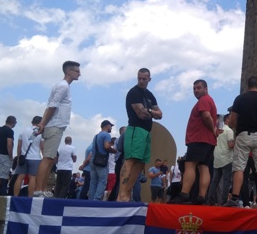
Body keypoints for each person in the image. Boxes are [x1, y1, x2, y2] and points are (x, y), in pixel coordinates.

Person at [225, 76, 257, 209]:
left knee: (239, 167)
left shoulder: (240, 99)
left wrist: (239, 129)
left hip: (243, 134)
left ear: (247, 86)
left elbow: (233, 119)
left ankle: (235, 198)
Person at [34, 61, 81, 197]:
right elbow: (52, 106)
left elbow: (50, 105)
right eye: (77, 71)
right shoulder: (63, 86)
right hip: (55, 125)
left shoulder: (61, 85)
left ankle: (42, 189)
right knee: (48, 158)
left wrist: (43, 123)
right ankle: (39, 190)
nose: (79, 74)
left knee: (50, 158)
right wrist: (43, 124)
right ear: (69, 71)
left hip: (55, 126)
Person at [118, 68, 162, 202]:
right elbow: (141, 114)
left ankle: (127, 193)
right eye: (139, 78)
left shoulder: (150, 95)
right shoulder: (134, 92)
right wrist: (151, 112)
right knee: (130, 160)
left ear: (149, 79)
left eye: (144, 79)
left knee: (141, 163)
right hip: (135, 130)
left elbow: (160, 114)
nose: (141, 81)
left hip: (146, 132)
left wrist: (149, 111)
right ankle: (121, 195)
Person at [172, 79, 217, 205]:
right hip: (208, 141)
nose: (196, 90)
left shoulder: (204, 100)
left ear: (206, 88)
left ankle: (184, 194)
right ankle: (202, 197)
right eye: (194, 89)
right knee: (204, 167)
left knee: (190, 165)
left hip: (198, 139)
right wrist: (213, 131)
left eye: (199, 88)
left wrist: (212, 130)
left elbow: (206, 116)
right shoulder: (210, 100)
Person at [207, 113, 235, 205]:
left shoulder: (217, 131)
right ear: (227, 119)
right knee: (227, 181)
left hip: (217, 158)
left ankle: (210, 199)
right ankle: (224, 201)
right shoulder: (229, 131)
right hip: (227, 158)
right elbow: (230, 145)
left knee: (215, 181)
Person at [13, 115, 43, 197]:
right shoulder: (40, 133)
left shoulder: (23, 131)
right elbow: (42, 147)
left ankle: (15, 196)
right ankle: (30, 197)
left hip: (24, 157)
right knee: (32, 178)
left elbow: (19, 145)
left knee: (20, 177)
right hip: (35, 158)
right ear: (40, 123)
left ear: (32, 122)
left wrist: (19, 157)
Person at [89, 120, 116, 201]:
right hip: (101, 160)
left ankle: (90, 200)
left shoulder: (96, 136)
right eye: (110, 126)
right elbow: (106, 147)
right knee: (102, 181)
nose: (111, 128)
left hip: (93, 159)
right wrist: (114, 151)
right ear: (107, 125)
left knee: (93, 182)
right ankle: (96, 199)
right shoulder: (107, 135)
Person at [0, 116, 17, 196]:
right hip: (4, 155)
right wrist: (10, 156)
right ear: (13, 123)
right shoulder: (9, 131)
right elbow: (9, 144)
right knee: (0, 176)